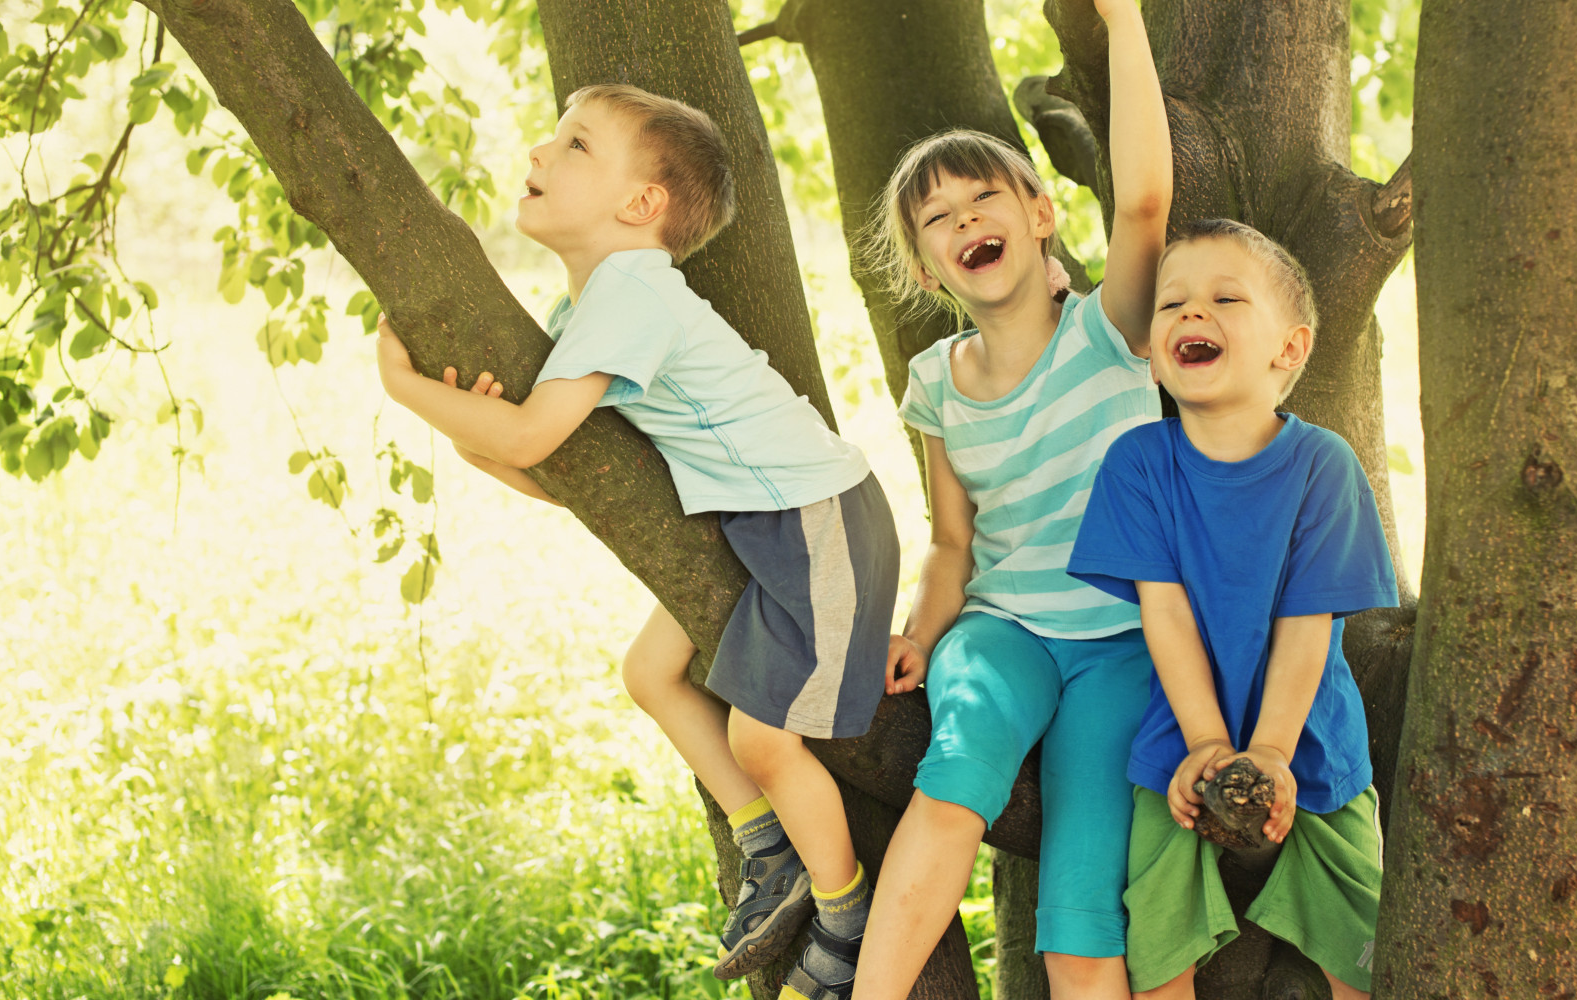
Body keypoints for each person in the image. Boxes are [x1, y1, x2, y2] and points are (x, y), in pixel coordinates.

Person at [373, 83, 900, 997]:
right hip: (752, 523)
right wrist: (474, 442)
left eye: (575, 144)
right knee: (649, 673)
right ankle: (769, 846)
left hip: (818, 519)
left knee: (764, 738)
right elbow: (578, 481)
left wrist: (407, 390)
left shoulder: (631, 291)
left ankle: (847, 913)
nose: (538, 153)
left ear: (641, 203)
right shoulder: (591, 310)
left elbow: (532, 437)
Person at [849, 1, 1172, 996]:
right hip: (1001, 634)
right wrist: (921, 631)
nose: (963, 221)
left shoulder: (1111, 333)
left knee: (1079, 909)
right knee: (954, 780)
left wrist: (1123, 21)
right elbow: (953, 539)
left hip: (1123, 644)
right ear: (924, 267)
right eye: (937, 219)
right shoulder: (935, 382)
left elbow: (1144, 204)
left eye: (982, 198)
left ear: (1039, 215)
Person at [1066, 218, 1401, 999]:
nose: (1191, 311)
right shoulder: (1138, 464)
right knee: (1155, 949)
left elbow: (1307, 626)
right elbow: (1167, 618)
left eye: (1225, 298)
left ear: (1290, 347)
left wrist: (1273, 753)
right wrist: (1208, 744)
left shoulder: (1323, 466)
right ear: (1154, 353)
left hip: (1311, 735)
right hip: (1180, 736)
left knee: (1368, 955)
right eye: (1172, 303)